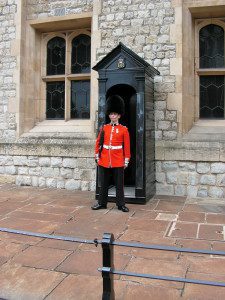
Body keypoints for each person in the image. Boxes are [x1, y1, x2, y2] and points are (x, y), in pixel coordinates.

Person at [91, 95, 130, 212]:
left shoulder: (124, 129)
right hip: (104, 159)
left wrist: (126, 159)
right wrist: (97, 156)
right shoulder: (105, 128)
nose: (112, 116)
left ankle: (120, 204)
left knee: (119, 184)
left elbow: (126, 146)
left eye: (114, 114)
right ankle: (102, 203)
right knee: (104, 183)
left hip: (118, 160)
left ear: (119, 115)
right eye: (111, 114)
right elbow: (98, 142)